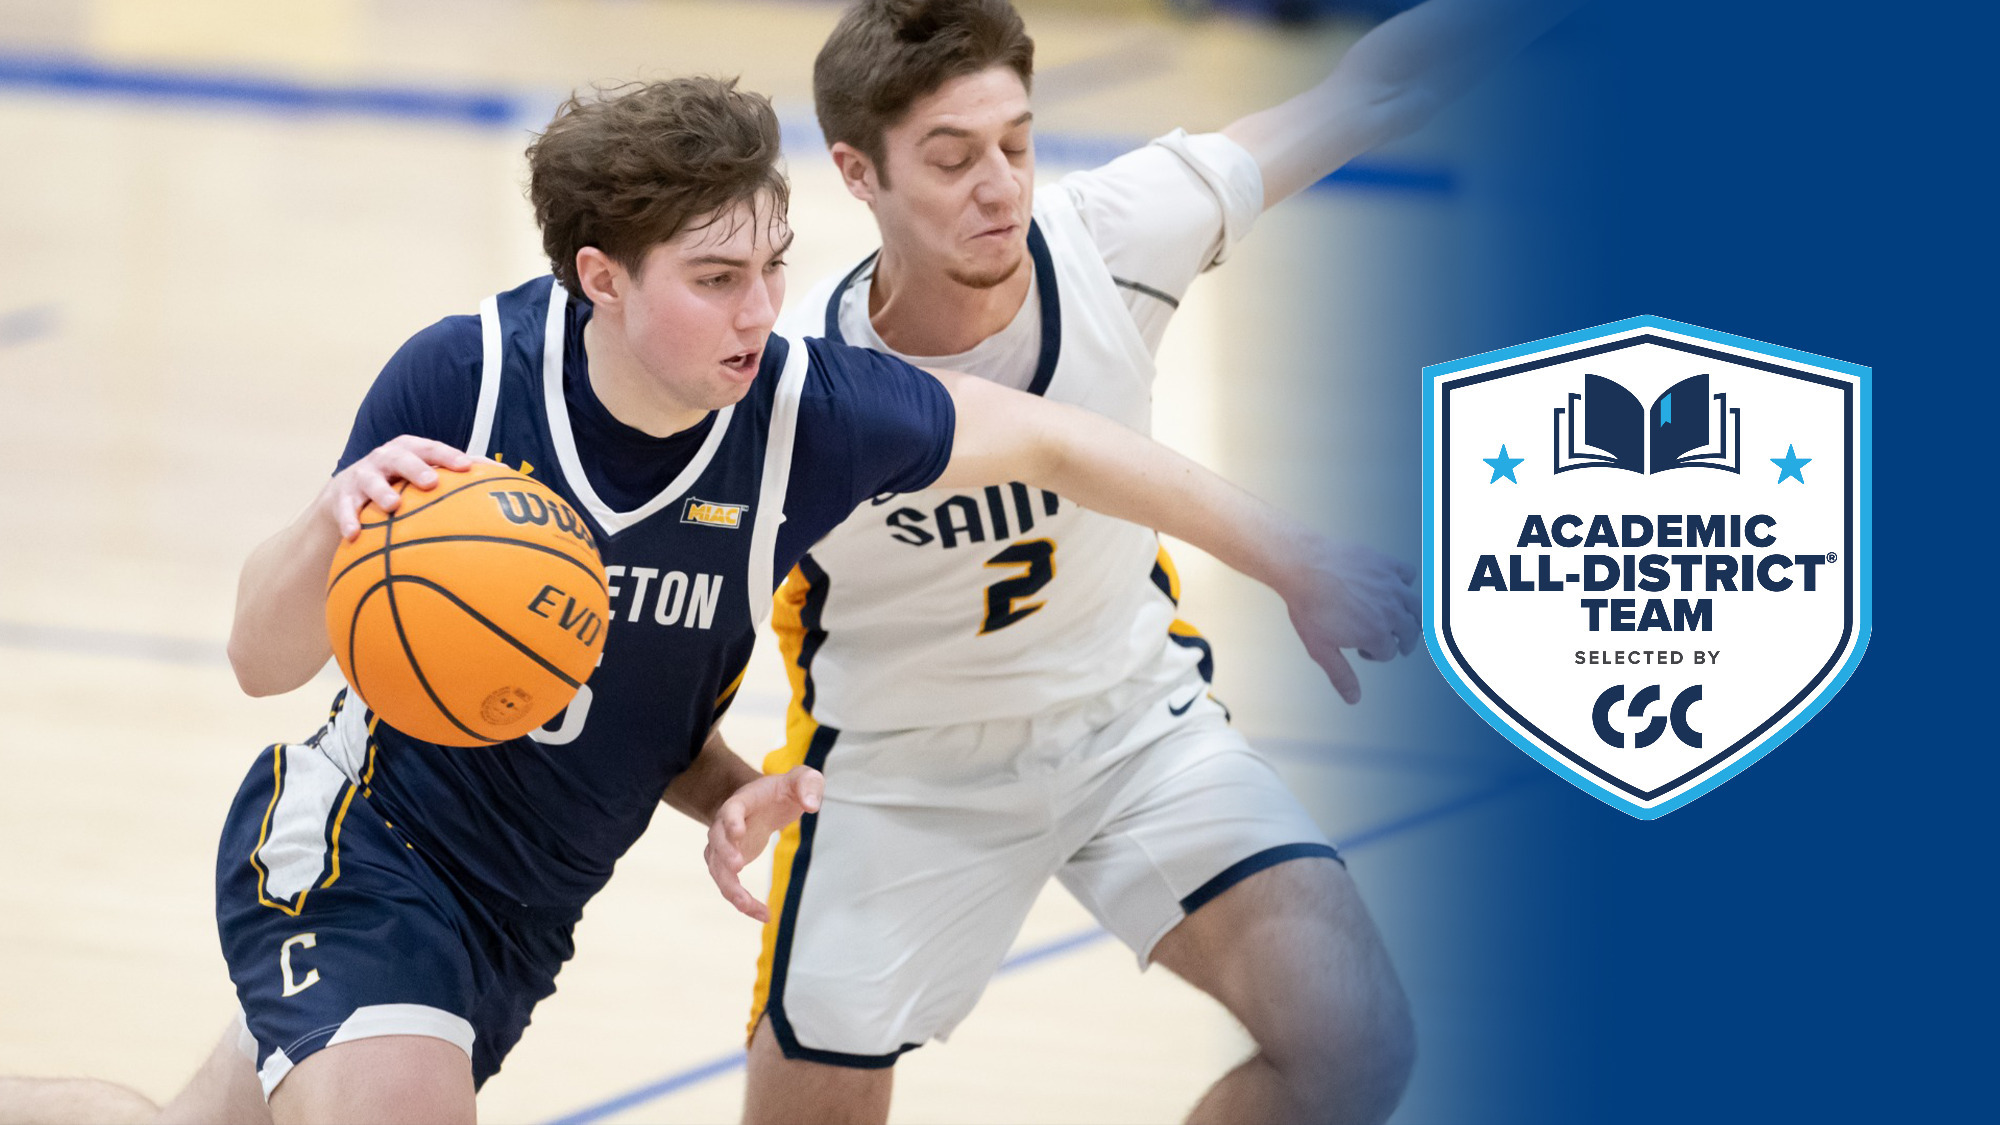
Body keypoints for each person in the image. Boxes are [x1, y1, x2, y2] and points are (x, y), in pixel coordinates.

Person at [0, 72, 1415, 1125]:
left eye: (774, 268)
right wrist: (329, 519)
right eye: (718, 278)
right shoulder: (464, 383)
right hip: (368, 854)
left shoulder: (809, 413)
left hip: (526, 911)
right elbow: (260, 660)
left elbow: (1060, 443)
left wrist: (1297, 558)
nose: (763, 310)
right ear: (600, 278)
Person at [704, 2, 1574, 1123]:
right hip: (896, 779)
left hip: (1130, 727)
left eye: (1015, 143)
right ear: (855, 174)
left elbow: (1375, 89)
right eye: (951, 158)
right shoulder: (795, 386)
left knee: (1353, 1042)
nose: (1000, 186)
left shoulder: (1119, 235)